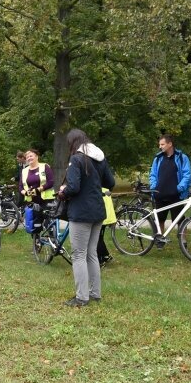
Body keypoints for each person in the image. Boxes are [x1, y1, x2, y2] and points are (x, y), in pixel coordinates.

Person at [58, 129, 115, 307]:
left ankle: (82, 297)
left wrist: (62, 192)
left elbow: (73, 187)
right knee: (91, 253)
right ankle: (95, 293)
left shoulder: (76, 159)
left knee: (79, 255)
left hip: (81, 213)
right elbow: (110, 183)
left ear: (73, 143)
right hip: (98, 211)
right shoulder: (99, 158)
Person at [148, 134, 191, 232]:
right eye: (160, 144)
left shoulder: (182, 158)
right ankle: (160, 240)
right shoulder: (158, 158)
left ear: (170, 144)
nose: (160, 147)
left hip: (176, 195)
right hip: (160, 194)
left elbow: (187, 175)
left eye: (162, 144)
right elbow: (152, 175)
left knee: (180, 220)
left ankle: (183, 242)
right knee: (160, 220)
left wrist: (179, 188)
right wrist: (154, 187)